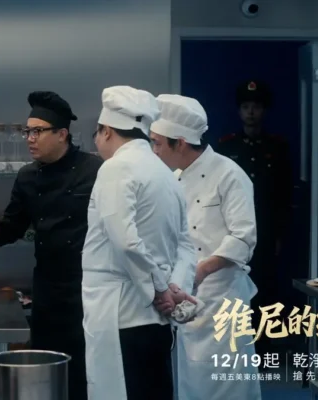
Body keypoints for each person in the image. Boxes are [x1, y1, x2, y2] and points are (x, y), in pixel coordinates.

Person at [0, 91, 102, 400]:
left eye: (38, 131)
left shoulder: (95, 170)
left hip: (89, 288)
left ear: (62, 134)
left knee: (84, 372)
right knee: (46, 369)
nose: (30, 138)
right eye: (27, 131)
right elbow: (12, 227)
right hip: (48, 288)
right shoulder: (27, 176)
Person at [82, 86, 197, 400]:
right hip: (155, 318)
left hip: (121, 313)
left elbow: (126, 240)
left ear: (106, 131)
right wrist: (174, 287)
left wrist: (160, 290)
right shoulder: (165, 172)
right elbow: (186, 244)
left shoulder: (116, 167)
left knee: (121, 390)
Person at [150, 94, 262, 400]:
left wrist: (200, 270)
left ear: (180, 143)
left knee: (226, 382)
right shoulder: (173, 178)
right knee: (190, 380)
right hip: (184, 297)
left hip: (221, 296)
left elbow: (243, 237)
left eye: (157, 143)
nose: (154, 150)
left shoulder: (229, 174)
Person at [216, 80, 292, 355]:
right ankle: (236, 345)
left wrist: (280, 233)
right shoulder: (227, 147)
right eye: (246, 106)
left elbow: (284, 195)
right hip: (234, 230)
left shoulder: (277, 147)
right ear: (239, 111)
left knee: (265, 288)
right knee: (233, 286)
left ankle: (263, 347)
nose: (251, 112)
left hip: (266, 230)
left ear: (264, 110)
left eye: (256, 107)